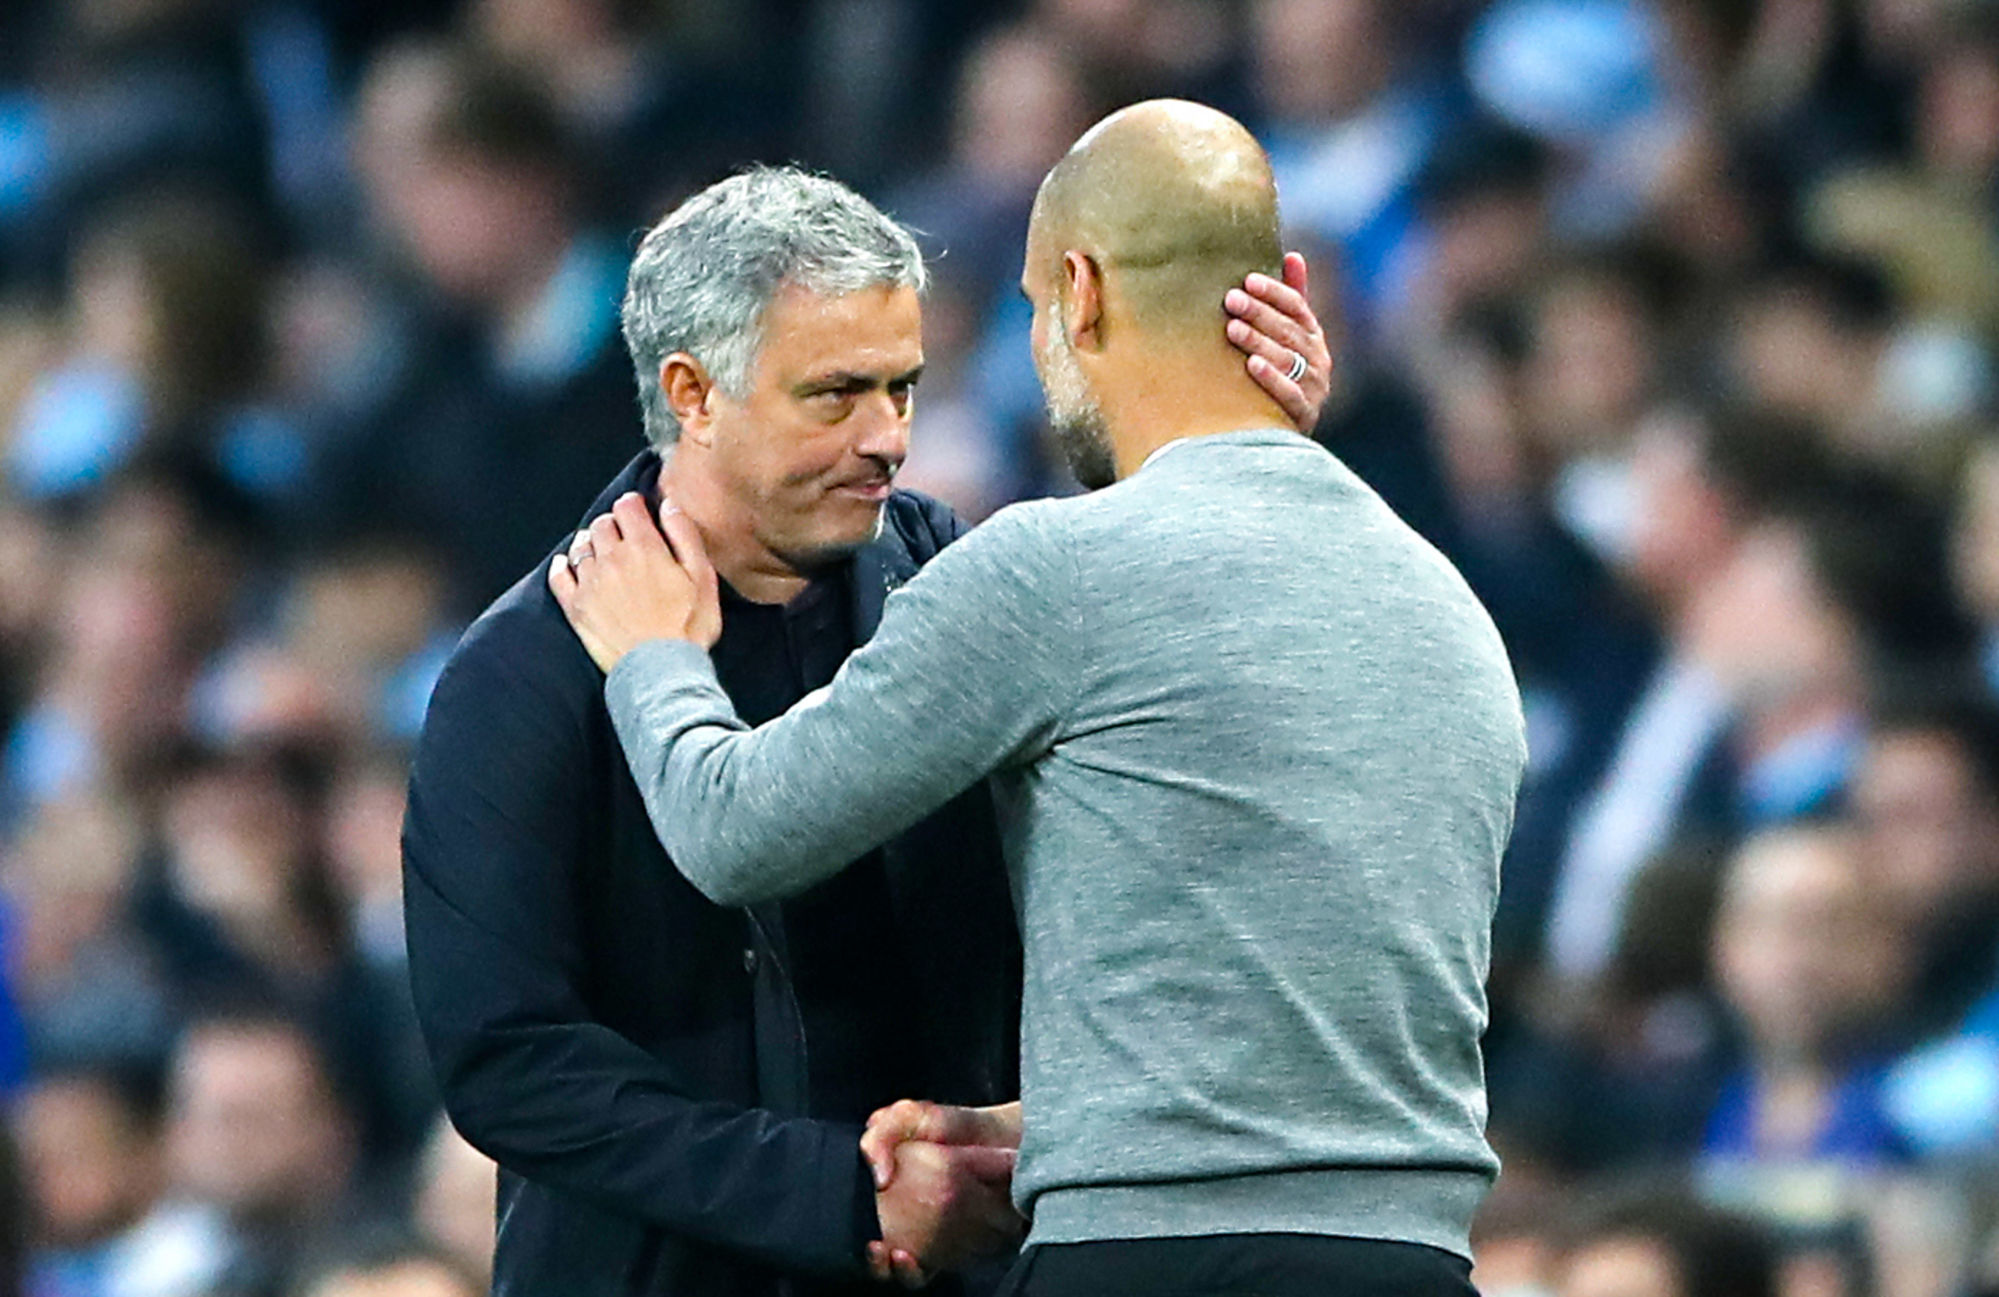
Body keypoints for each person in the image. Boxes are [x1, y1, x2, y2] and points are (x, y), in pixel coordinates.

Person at [551, 101, 1525, 1297]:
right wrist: (1067, 1123)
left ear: (1080, 290)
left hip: (1152, 1270)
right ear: (1277, 287)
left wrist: (653, 656)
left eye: (1025, 308)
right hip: (1414, 1262)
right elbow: (1304, 1002)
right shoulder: (1442, 602)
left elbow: (735, 826)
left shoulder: (1051, 572)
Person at [401, 162, 1331, 1297]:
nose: (889, 437)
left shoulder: (959, 582)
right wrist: (834, 1194)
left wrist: (1251, 451)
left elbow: (1173, 735)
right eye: (836, 395)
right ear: (693, 393)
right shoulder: (528, 671)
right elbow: (510, 1060)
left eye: (904, 388)